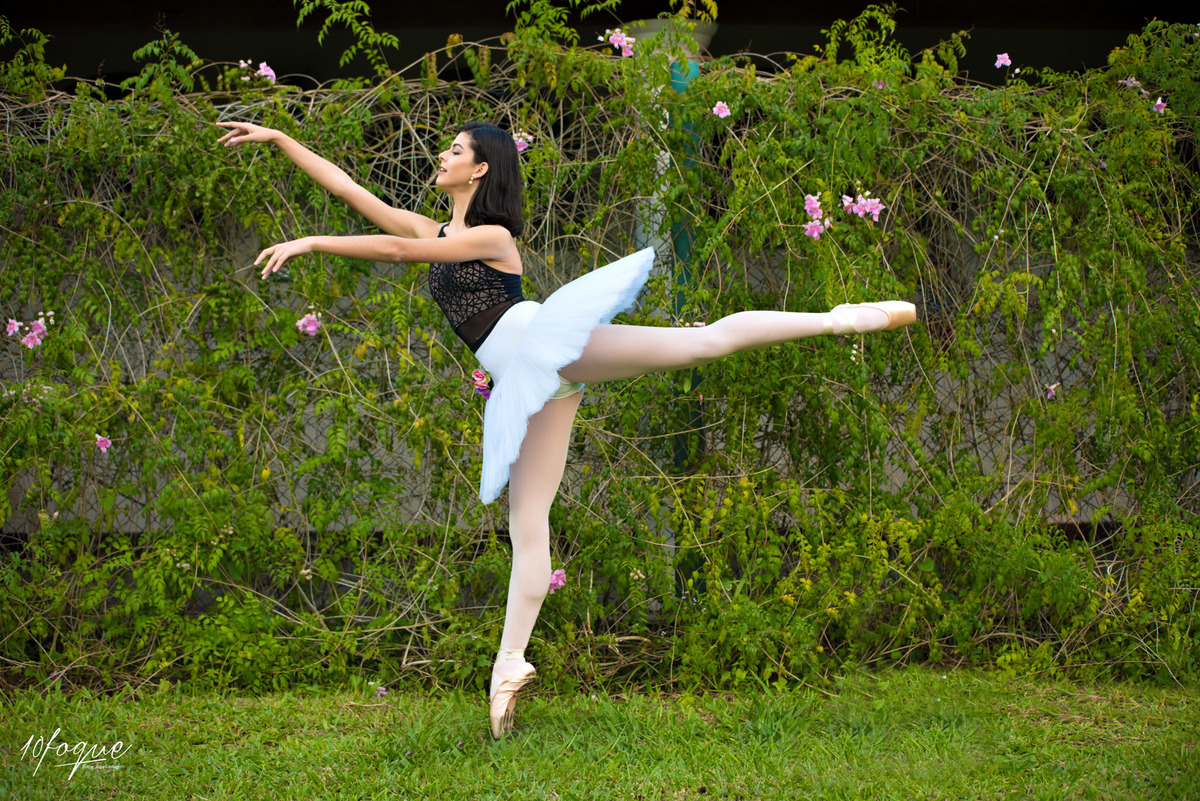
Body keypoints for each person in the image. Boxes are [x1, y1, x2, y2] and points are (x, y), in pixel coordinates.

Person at [216, 119, 916, 738]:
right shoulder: (435, 227)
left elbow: (398, 254)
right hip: (530, 377)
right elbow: (351, 192)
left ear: (480, 168)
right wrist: (280, 141)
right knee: (529, 523)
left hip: (540, 343)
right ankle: (510, 663)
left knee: (698, 342)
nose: (443, 155)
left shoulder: (489, 235)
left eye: (454, 150)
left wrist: (310, 242)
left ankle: (837, 317)